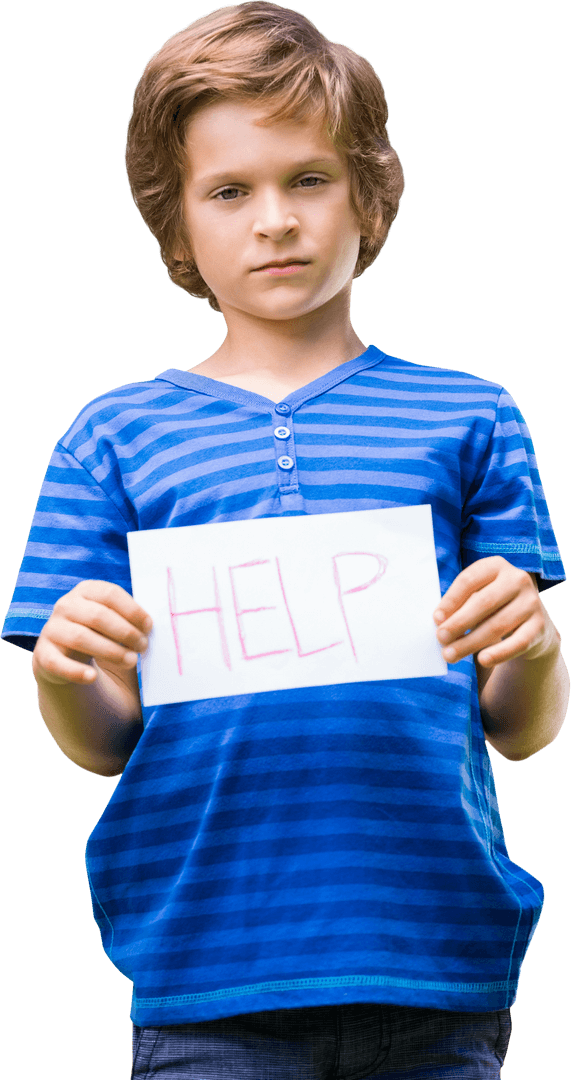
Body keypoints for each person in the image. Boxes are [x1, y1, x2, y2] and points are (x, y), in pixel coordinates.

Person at [2, 2, 568, 1076]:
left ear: (370, 197)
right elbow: (97, 743)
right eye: (229, 190)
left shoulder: (472, 417)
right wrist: (64, 671)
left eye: (309, 179)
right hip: (206, 971)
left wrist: (535, 648)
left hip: (435, 961)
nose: (274, 220)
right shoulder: (110, 438)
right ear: (175, 225)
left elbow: (520, 729)